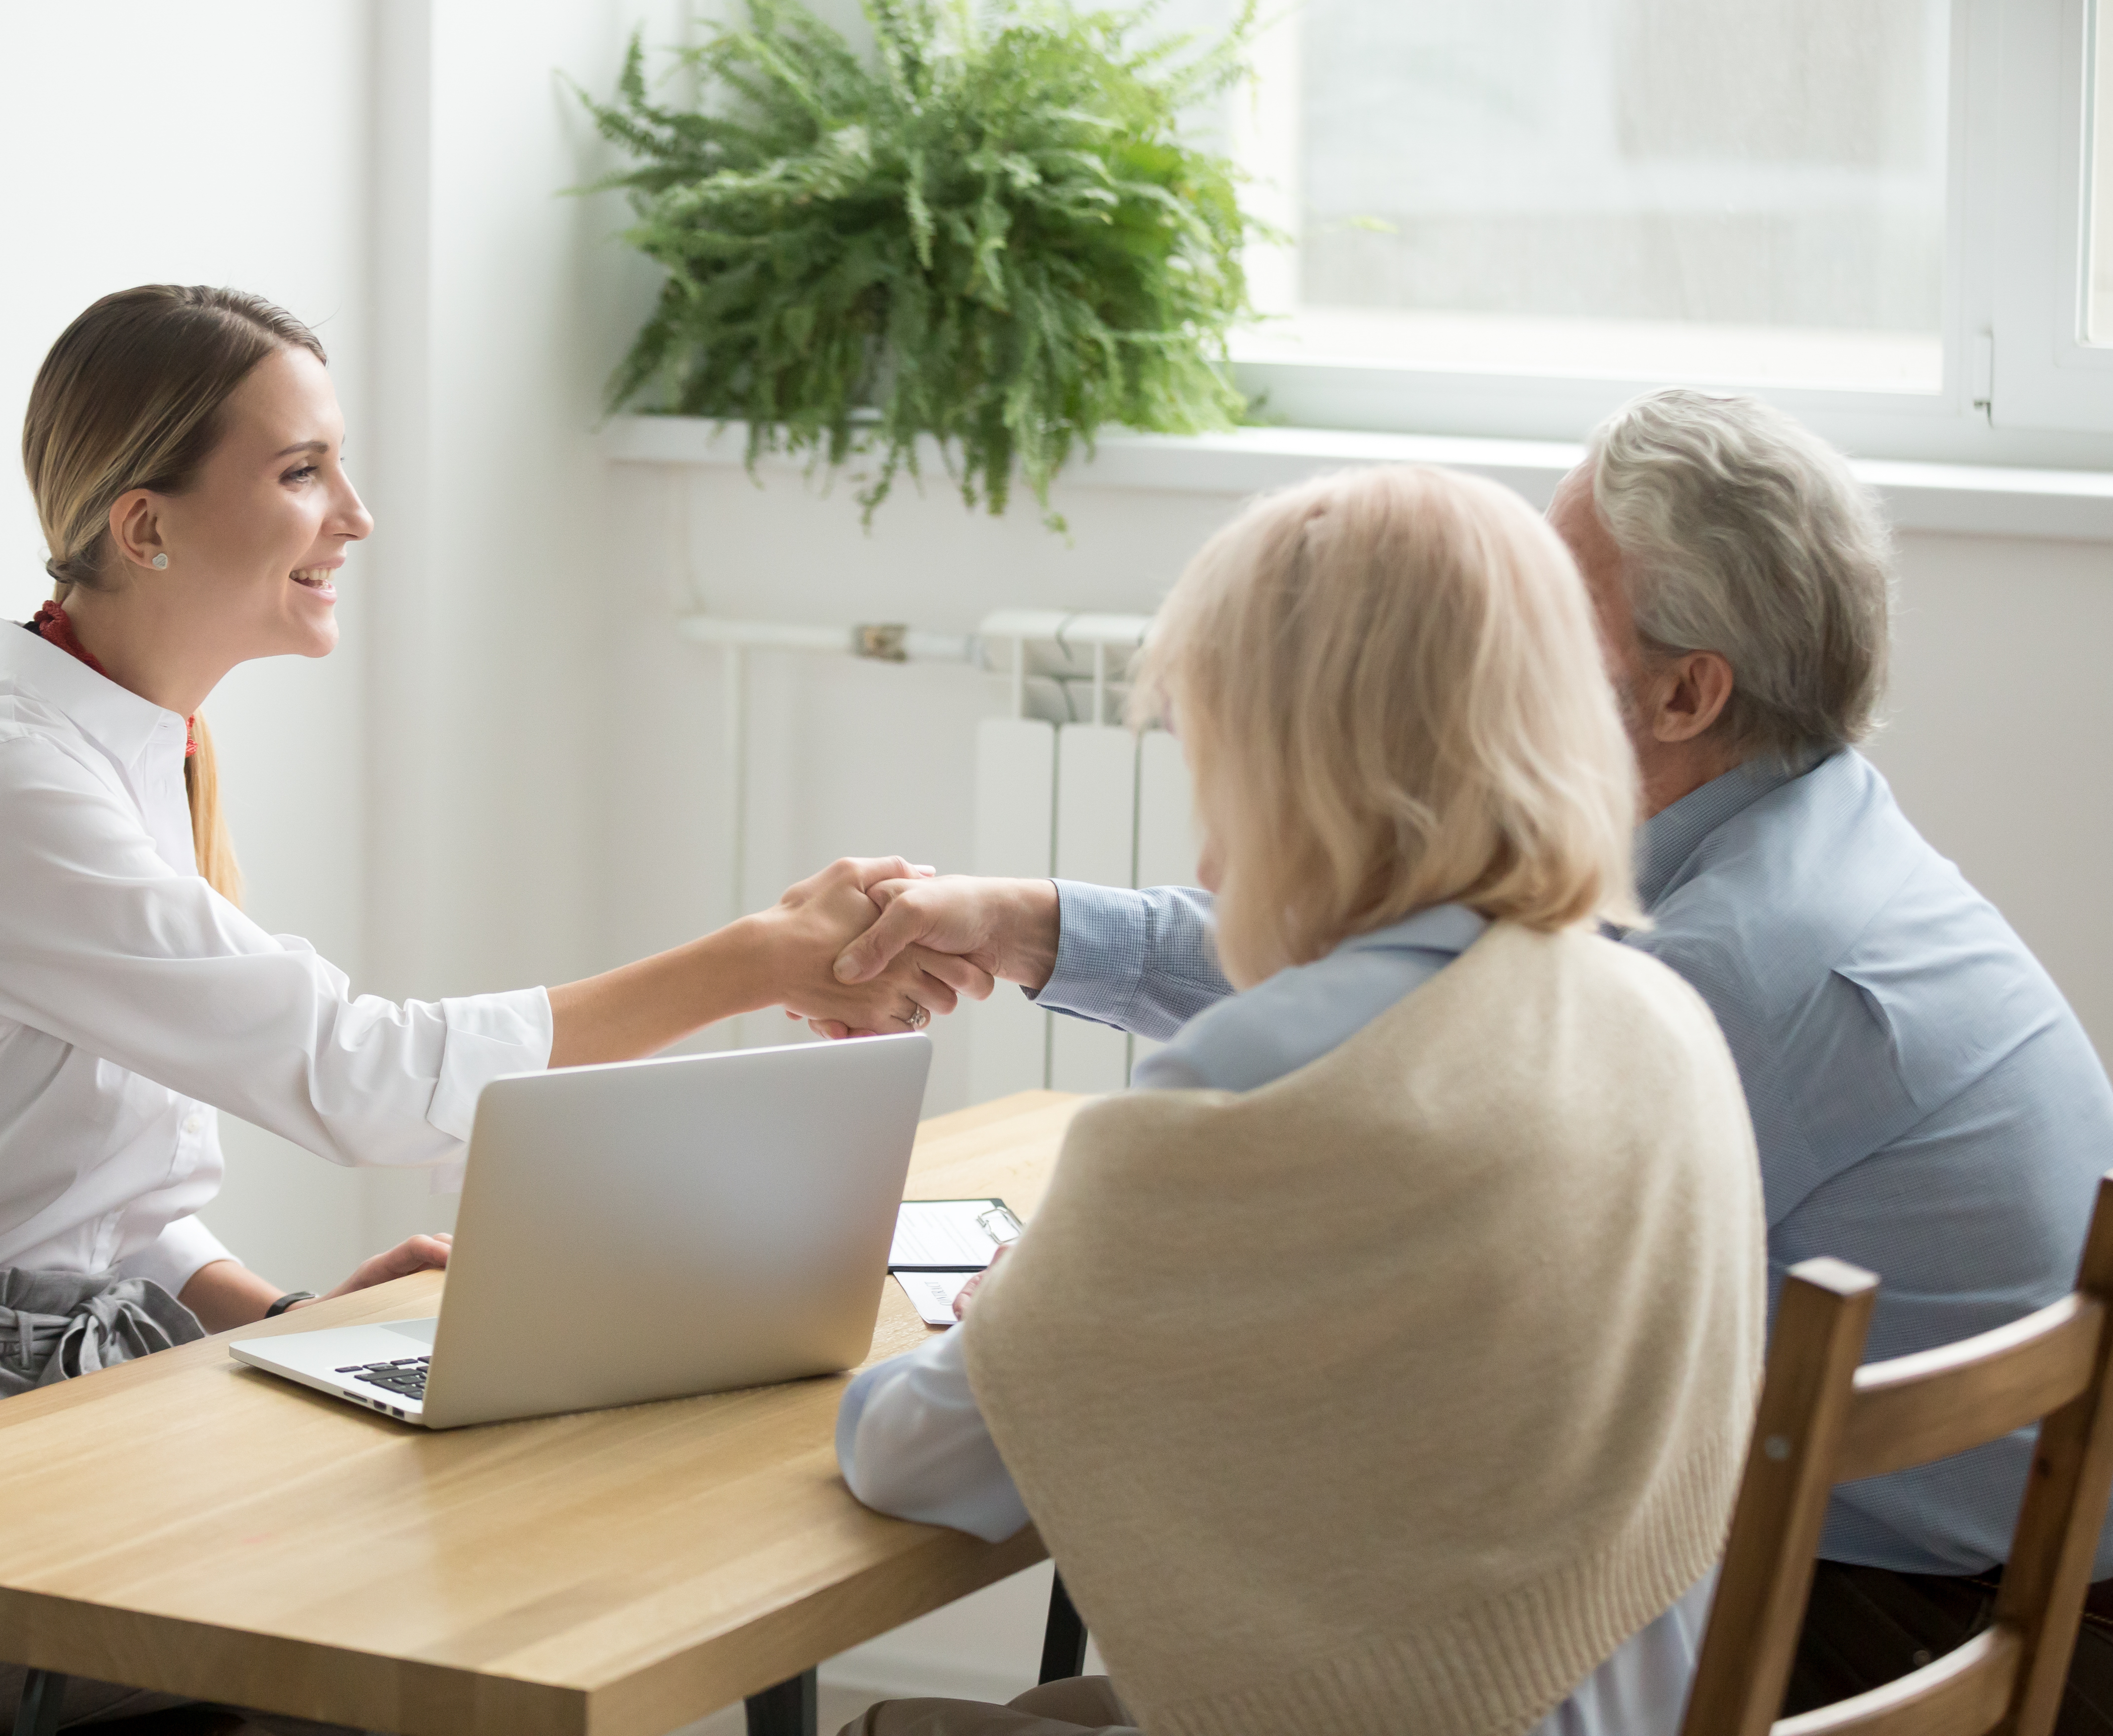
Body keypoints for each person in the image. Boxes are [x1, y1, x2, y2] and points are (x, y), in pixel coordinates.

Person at [0, 284, 979, 1736]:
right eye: (303, 472)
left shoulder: (123, 756)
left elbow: (77, 1197)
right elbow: (360, 1079)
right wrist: (754, 960)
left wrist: (283, 1314)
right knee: (441, 1624)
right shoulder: (10, 791)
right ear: (147, 525)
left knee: (497, 1549)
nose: (356, 516)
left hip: (50, 1417)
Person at [831, 389, 2113, 1728]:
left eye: (1559, 609)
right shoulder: (1795, 871)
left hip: (1883, 1624)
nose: (1511, 643)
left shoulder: (1707, 970)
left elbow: (1386, 1041)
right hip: (1895, 1591)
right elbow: (1414, 989)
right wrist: (1045, 929)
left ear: (1687, 691)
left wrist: (1075, 1323)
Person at [834, 464, 1766, 1736]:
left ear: (1290, 764)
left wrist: (1009, 1324)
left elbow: (913, 1464)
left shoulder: (1249, 1094)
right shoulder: (1657, 1019)